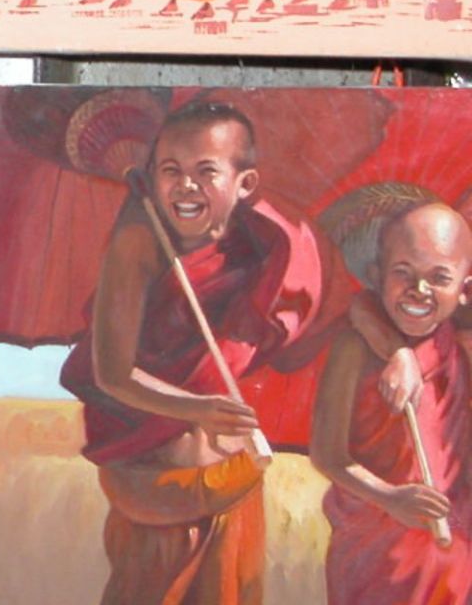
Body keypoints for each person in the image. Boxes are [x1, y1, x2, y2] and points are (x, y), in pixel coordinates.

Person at [57, 101, 322, 603]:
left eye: (206, 173)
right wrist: (196, 408)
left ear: (244, 184)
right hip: (156, 480)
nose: (186, 187)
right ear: (152, 177)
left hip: (232, 474)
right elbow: (112, 374)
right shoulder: (138, 243)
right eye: (171, 171)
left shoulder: (257, 247)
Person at [313, 201, 472, 603]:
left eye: (439, 277)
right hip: (375, 547)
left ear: (464, 291)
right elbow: (327, 456)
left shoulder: (456, 345)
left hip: (453, 545)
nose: (419, 290)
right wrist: (389, 498)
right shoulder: (354, 347)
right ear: (376, 276)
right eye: (404, 273)